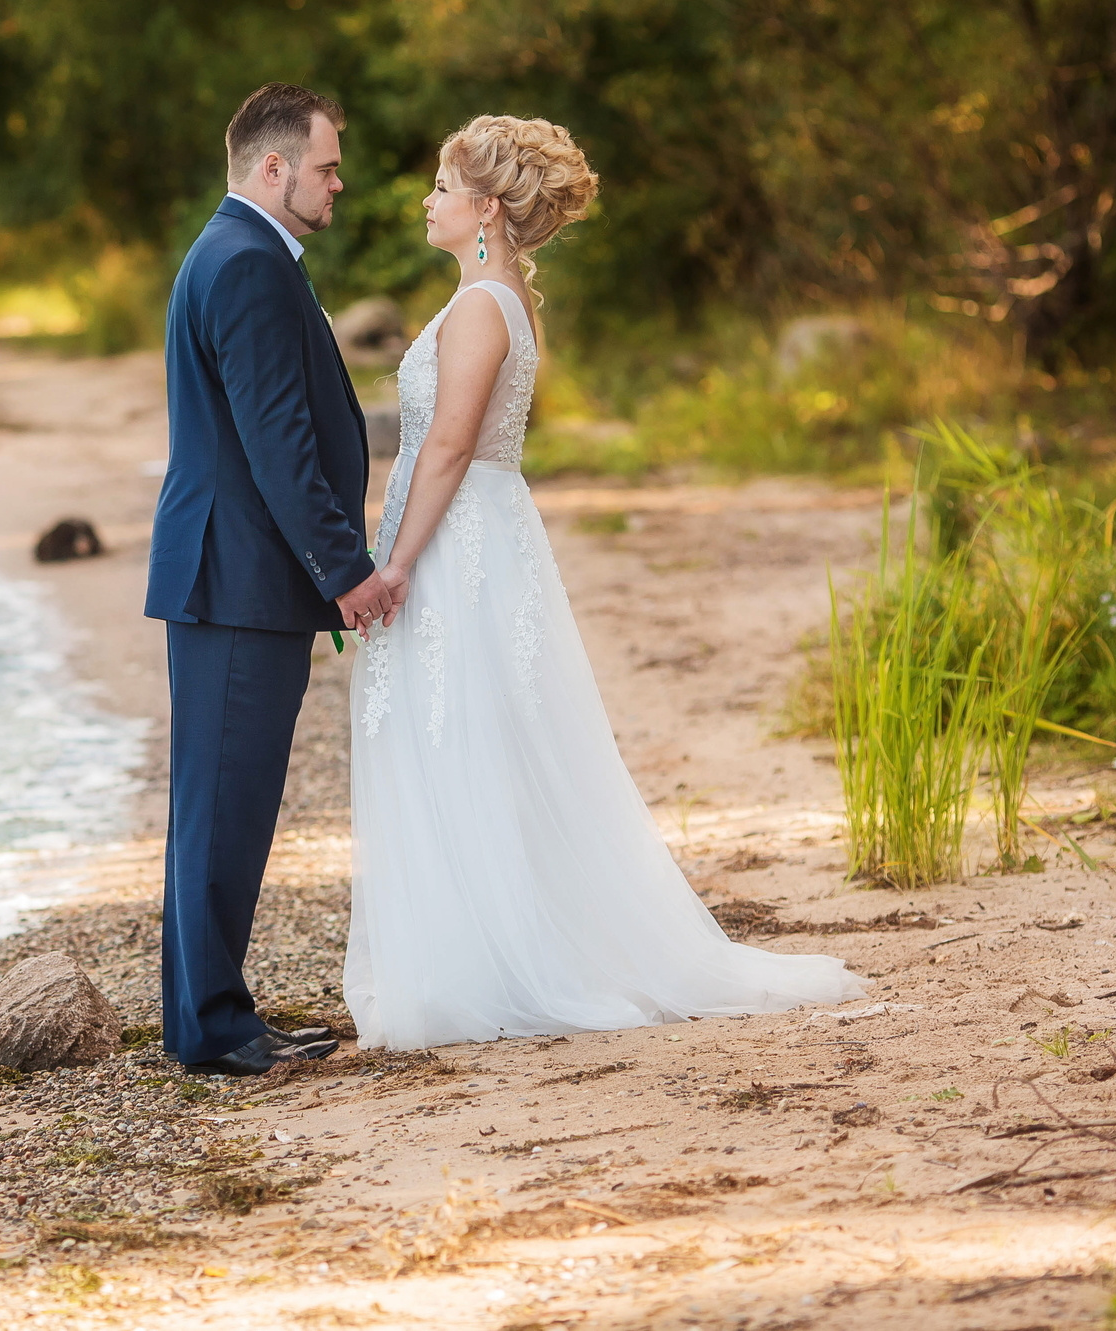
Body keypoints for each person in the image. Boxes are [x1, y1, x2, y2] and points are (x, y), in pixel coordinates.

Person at [344, 116, 865, 1047]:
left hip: (457, 541)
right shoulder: (503, 298)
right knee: (480, 728)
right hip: (482, 534)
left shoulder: (478, 308)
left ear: (486, 208)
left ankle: (488, 961)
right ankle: (487, 943)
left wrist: (394, 562)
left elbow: (451, 446)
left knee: (464, 727)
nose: (426, 201)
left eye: (439, 186)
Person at [146, 82, 403, 1076]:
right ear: (272, 167)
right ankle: (211, 1030)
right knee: (225, 801)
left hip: (234, 575)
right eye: (327, 166)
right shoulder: (248, 262)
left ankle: (206, 1015)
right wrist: (345, 569)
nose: (339, 182)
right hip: (237, 577)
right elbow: (278, 441)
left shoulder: (239, 252)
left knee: (222, 801)